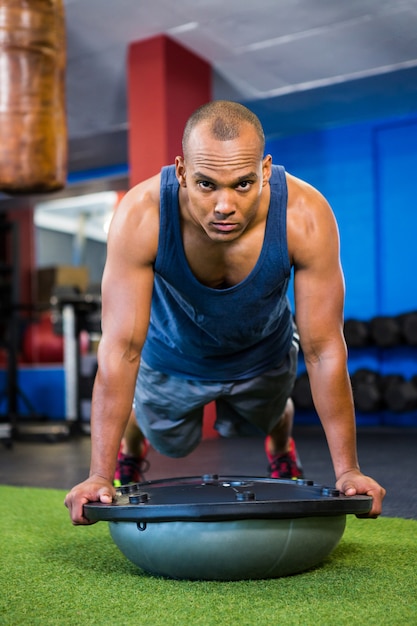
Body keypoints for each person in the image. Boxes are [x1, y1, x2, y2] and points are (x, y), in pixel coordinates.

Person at [65, 100, 385, 524]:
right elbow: (120, 349)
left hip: (263, 354)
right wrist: (98, 475)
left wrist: (349, 470)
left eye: (242, 184)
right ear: (181, 172)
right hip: (174, 358)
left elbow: (324, 348)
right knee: (170, 441)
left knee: (268, 417)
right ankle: (134, 442)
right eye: (205, 184)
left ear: (266, 171)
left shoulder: (304, 216)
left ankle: (280, 443)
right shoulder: (141, 217)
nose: (223, 205)